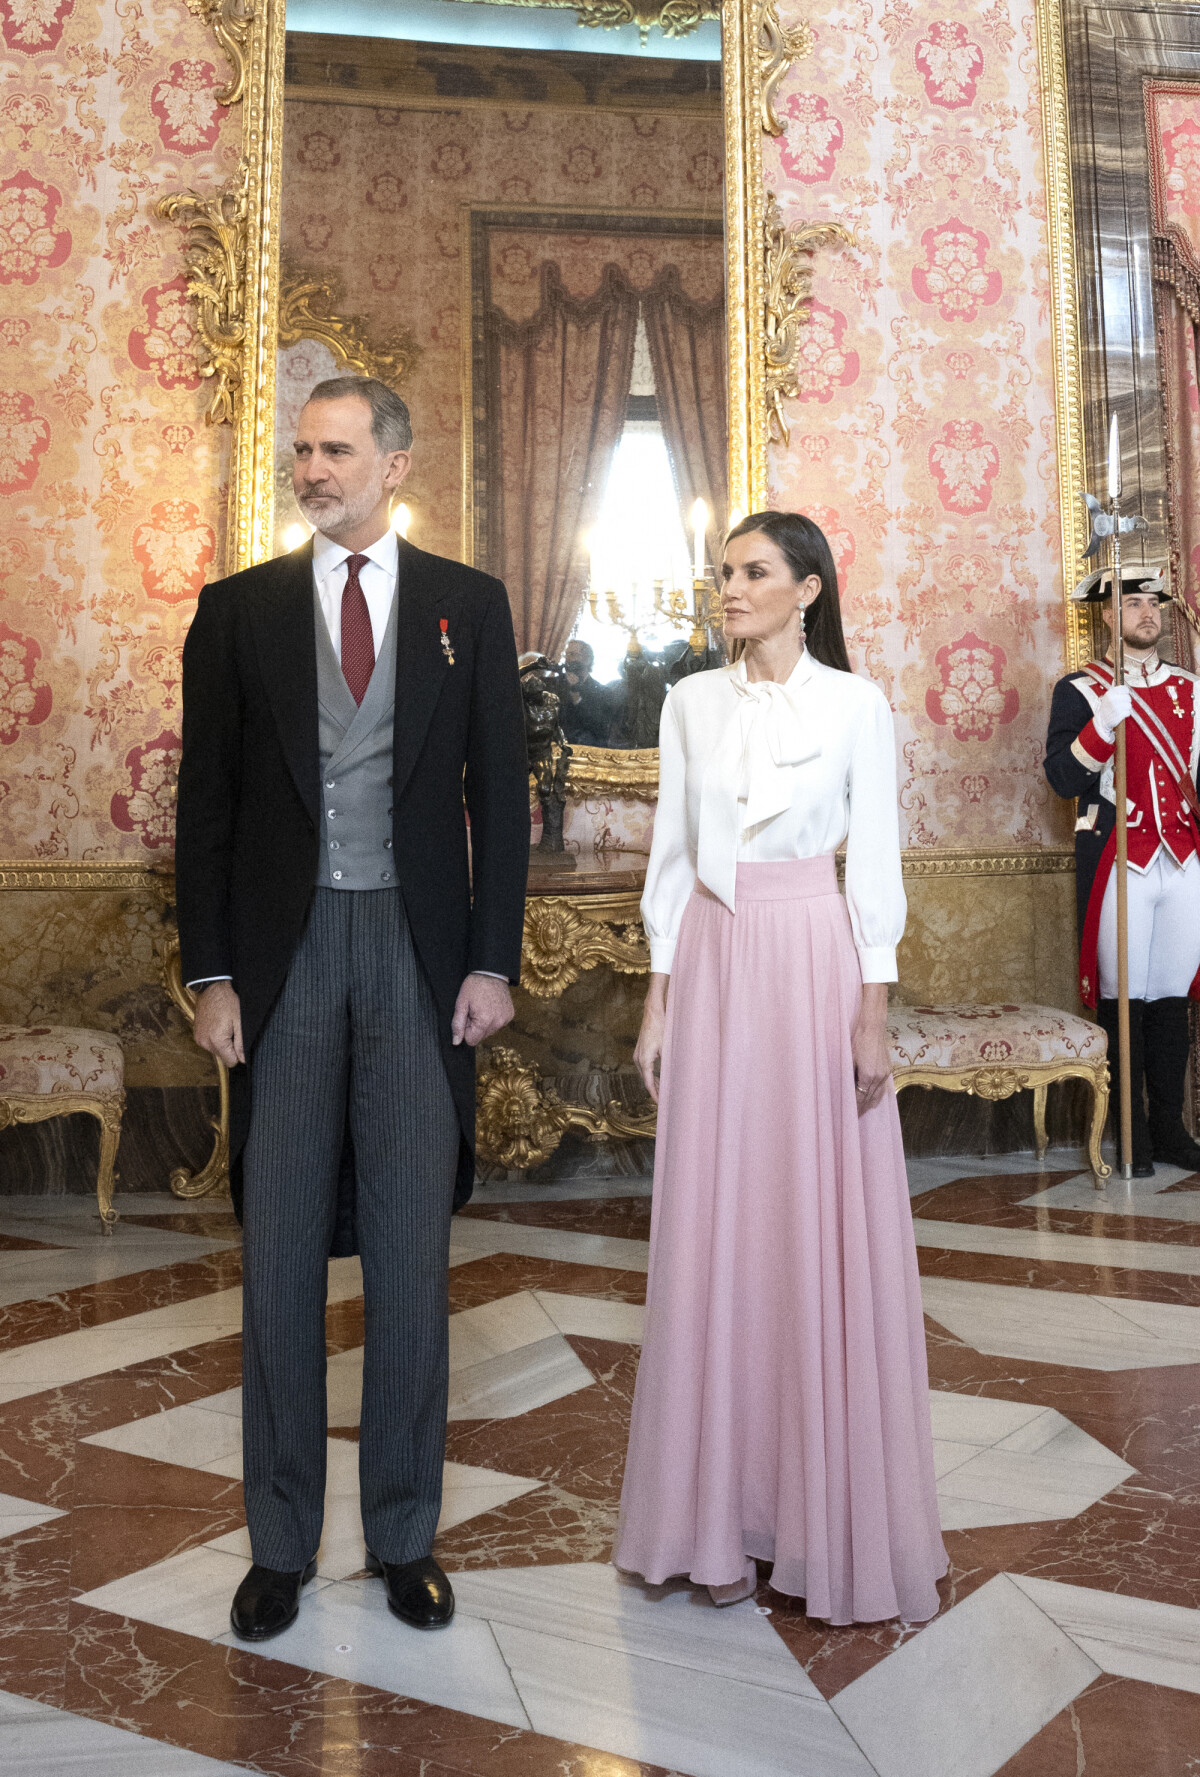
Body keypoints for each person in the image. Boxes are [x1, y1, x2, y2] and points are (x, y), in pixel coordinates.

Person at [175, 375, 529, 1642]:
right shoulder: (236, 613)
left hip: (423, 962)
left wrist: (493, 961)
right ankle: (279, 1544)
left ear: (394, 457)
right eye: (300, 452)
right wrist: (211, 973)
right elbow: (203, 807)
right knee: (275, 1263)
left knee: (410, 1263)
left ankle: (401, 1536)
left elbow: (503, 794)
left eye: (333, 450)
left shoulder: (467, 607)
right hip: (284, 964)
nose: (310, 469)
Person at [615, 510, 948, 1626]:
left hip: (815, 961)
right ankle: (711, 1518)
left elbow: (878, 869)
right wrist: (657, 1003)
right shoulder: (689, 702)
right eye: (724, 572)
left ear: (809, 588)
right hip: (712, 960)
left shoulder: (856, 704)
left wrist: (872, 1010)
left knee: (812, 1225)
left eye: (754, 572)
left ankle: (822, 1513)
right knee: (716, 1226)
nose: (731, 588)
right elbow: (670, 859)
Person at [1044, 565, 1200, 1176]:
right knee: (1123, 996)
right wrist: (1104, 722)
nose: (1146, 612)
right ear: (1108, 616)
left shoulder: (1190, 689)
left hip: (1182, 860)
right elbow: (1062, 779)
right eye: (1131, 604)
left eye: (1152, 602)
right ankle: (1129, 1134)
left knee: (1168, 996)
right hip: (1121, 861)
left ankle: (1168, 1129)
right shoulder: (1081, 691)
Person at [560, 638, 613, 747]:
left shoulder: (602, 692)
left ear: (587, 660)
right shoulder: (555, 684)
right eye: (566, 655)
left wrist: (577, 699)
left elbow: (600, 729)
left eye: (573, 654)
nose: (568, 659)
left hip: (587, 750)